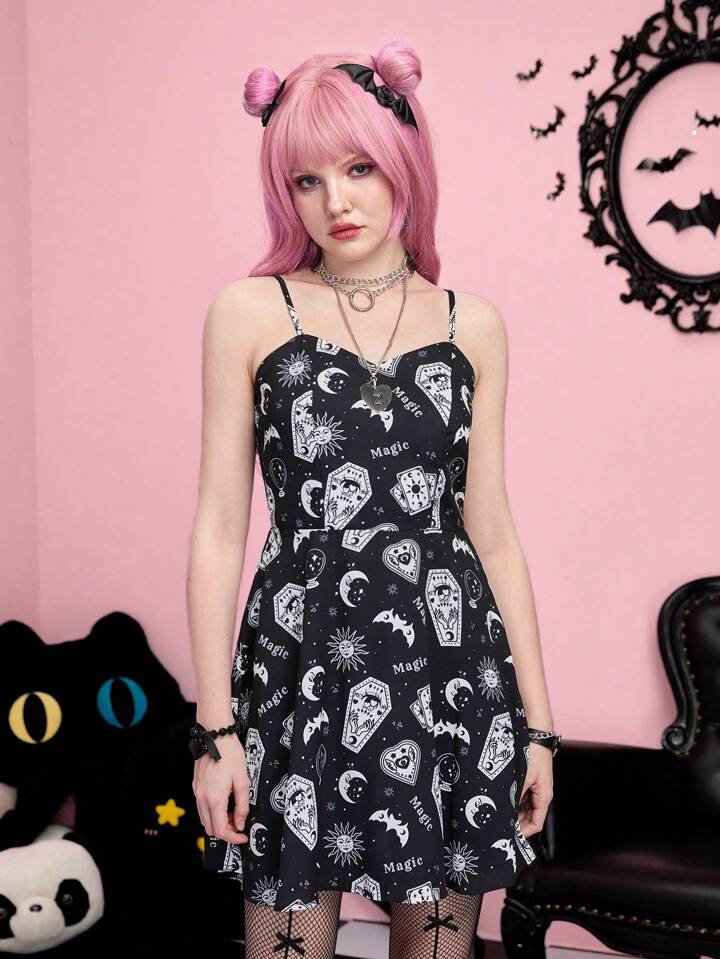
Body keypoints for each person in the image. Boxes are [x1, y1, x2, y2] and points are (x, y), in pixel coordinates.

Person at [187, 39, 559, 959]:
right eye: (306, 180)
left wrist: (540, 727)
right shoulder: (248, 311)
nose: (336, 201)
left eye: (357, 168)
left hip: (449, 677)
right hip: (297, 676)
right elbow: (220, 528)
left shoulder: (472, 324)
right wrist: (213, 728)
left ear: (403, 160)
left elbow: (492, 533)